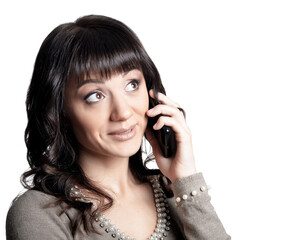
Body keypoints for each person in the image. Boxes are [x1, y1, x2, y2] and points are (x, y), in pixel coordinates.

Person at [6, 15, 230, 240]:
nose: (123, 112)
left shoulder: (176, 194)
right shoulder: (39, 213)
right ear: (61, 111)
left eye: (132, 84)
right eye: (96, 95)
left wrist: (186, 179)